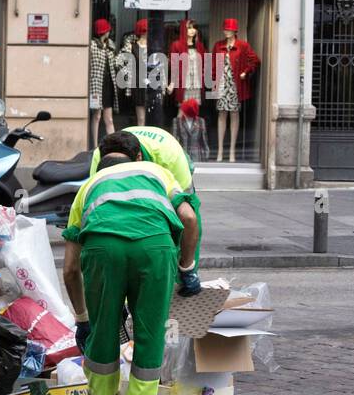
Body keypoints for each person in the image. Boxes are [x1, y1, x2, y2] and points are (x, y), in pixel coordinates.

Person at [63, 131, 202, 395]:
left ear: (101, 160)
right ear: (138, 155)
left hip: (102, 250)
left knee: (103, 336)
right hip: (153, 248)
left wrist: (84, 320)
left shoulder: (88, 187)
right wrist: (186, 268)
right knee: (150, 336)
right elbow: (189, 217)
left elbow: (70, 269)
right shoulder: (158, 173)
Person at [87, 121, 201, 263]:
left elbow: (188, 217)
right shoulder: (101, 156)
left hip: (170, 158)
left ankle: (189, 271)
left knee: (187, 215)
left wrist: (186, 265)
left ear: (139, 158)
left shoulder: (169, 157)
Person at [211, 18, 259, 162]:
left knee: (234, 115)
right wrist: (212, 82)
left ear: (235, 31)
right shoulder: (218, 45)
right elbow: (212, 65)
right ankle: (220, 150)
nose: (227, 31)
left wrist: (245, 71)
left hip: (235, 85)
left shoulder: (242, 46)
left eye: (230, 29)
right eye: (225, 29)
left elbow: (255, 60)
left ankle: (232, 151)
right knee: (221, 115)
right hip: (221, 84)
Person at [88, 18, 119, 145]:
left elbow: (115, 64)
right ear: (104, 31)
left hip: (108, 85)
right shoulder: (92, 45)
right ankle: (94, 146)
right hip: (96, 85)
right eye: (107, 30)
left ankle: (114, 146)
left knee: (109, 119)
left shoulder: (110, 46)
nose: (109, 33)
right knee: (96, 116)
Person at [174, 98, 210, 164]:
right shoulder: (177, 122)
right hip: (182, 156)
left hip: (198, 157)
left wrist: (206, 156)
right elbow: (174, 140)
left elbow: (204, 140)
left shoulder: (201, 121)